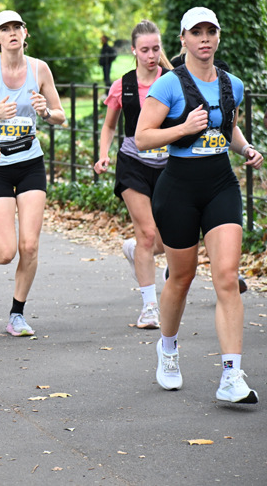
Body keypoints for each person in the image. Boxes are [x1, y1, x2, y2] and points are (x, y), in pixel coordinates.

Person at [135, 7, 263, 404]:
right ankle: (168, 349)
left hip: (221, 183)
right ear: (184, 40)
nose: (204, 38)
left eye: (211, 31)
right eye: (196, 32)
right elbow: (142, 137)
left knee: (226, 276)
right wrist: (183, 128)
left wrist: (245, 148)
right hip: (179, 188)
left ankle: (231, 375)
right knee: (181, 278)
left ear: (218, 37)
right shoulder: (169, 85)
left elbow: (228, 127)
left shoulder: (232, 84)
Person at [0, 11, 65, 337]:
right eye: (5, 29)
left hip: (30, 164)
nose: (12, 33)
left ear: (25, 33)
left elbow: (60, 115)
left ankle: (16, 314)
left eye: (17, 28)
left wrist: (45, 111)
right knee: (7, 251)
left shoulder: (39, 69)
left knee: (30, 246)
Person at [94, 20, 172, 329]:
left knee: (168, 239)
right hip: (133, 165)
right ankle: (149, 307)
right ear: (134, 51)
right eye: (145, 50)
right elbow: (109, 125)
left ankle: (133, 249)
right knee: (148, 234)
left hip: (168, 166)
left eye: (156, 49)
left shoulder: (173, 81)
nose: (151, 56)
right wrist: (103, 154)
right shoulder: (122, 85)